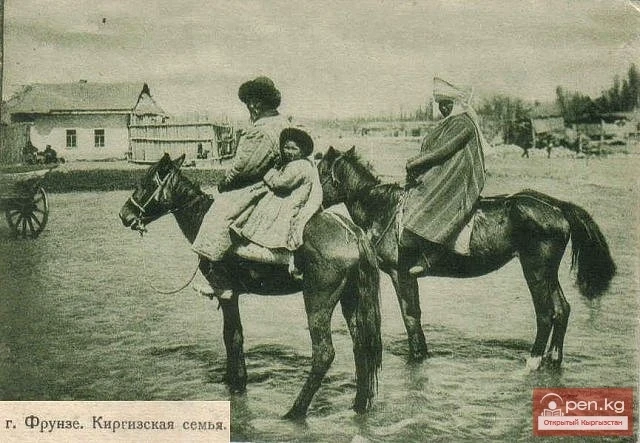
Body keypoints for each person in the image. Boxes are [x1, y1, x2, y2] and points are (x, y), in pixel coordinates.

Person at [191, 77, 297, 297]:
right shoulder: (284, 123)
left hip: (262, 185)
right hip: (285, 180)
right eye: (248, 102)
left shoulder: (260, 130)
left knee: (217, 216)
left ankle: (221, 280)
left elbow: (243, 168)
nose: (250, 107)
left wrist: (224, 183)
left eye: (252, 102)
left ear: (260, 104)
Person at [402, 77, 488, 275]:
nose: (443, 108)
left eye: (446, 104)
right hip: (448, 169)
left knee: (433, 196)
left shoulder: (463, 123)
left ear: (456, 103)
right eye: (440, 105)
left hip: (461, 175)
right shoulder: (450, 122)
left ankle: (433, 252)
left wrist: (415, 162)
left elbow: (441, 150)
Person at [230, 127, 321, 279]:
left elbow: (281, 182)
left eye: (293, 149)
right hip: (287, 198)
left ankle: (277, 255)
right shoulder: (296, 163)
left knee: (267, 215)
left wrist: (268, 172)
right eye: (286, 148)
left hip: (290, 202)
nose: (289, 152)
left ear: (302, 150)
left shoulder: (300, 165)